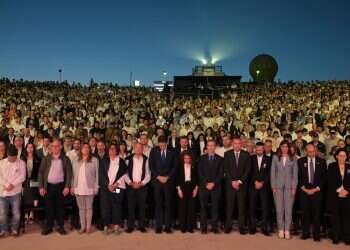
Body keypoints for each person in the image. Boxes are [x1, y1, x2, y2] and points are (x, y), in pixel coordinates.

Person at [38, 137, 73, 235]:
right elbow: (40, 173)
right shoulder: (46, 158)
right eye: (53, 146)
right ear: (51, 147)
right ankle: (49, 226)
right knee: (48, 207)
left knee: (60, 207)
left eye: (57, 146)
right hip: (48, 186)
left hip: (61, 186)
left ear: (61, 147)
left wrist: (67, 186)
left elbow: (69, 174)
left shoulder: (65, 159)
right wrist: (41, 187)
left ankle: (60, 226)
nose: (55, 148)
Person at [297, 143, 327, 241]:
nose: (311, 153)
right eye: (309, 152)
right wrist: (305, 189)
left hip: (317, 191)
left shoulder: (322, 162)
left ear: (316, 151)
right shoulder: (300, 161)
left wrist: (315, 189)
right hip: (304, 191)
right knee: (305, 213)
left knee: (316, 214)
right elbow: (298, 177)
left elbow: (324, 178)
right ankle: (305, 233)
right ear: (306, 151)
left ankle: (316, 235)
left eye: (313, 151)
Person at [149, 135, 177, 233]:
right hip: (157, 182)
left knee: (168, 204)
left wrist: (167, 177)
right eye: (160, 144)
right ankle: (159, 226)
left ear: (166, 143)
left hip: (168, 182)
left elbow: (175, 166)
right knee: (158, 204)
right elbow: (151, 165)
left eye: (163, 144)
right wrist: (158, 176)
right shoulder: (153, 151)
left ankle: (168, 226)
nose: (162, 146)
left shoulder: (172, 151)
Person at [270, 140, 298, 239]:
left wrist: (294, 187)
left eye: (286, 146)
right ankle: (281, 229)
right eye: (283, 146)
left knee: (288, 209)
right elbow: (273, 173)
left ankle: (287, 229)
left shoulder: (293, 158)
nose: (284, 148)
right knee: (279, 209)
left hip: (289, 188)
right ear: (280, 147)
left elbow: (295, 175)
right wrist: (273, 186)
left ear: (289, 148)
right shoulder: (275, 158)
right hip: (277, 187)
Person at [224, 137, 251, 234]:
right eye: (235, 143)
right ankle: (228, 226)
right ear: (232, 144)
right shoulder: (227, 154)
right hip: (230, 185)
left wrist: (239, 181)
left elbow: (247, 171)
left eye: (239, 143)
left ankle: (241, 227)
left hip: (241, 186)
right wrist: (232, 181)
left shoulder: (246, 155)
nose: (237, 145)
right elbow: (226, 170)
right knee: (229, 207)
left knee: (241, 207)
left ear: (241, 144)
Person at [99, 143, 127, 235]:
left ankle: (116, 226)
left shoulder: (121, 161)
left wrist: (115, 185)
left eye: (114, 149)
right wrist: (108, 185)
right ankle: (106, 226)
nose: (112, 150)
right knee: (105, 207)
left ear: (117, 150)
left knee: (117, 206)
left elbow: (124, 174)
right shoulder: (104, 160)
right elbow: (101, 175)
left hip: (117, 188)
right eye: (110, 149)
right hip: (106, 188)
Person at [71, 143, 99, 234]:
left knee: (89, 208)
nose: (85, 149)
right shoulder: (75, 160)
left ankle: (88, 227)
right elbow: (73, 175)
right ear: (81, 149)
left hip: (90, 187)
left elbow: (97, 175)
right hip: (78, 187)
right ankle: (82, 227)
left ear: (90, 149)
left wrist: (96, 187)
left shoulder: (94, 160)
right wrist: (72, 187)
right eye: (83, 147)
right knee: (81, 209)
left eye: (87, 147)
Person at [198, 140, 223, 234]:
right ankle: (203, 227)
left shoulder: (220, 159)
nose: (210, 147)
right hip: (204, 186)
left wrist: (213, 183)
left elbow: (221, 174)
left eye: (212, 145)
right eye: (209, 145)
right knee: (203, 208)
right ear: (206, 147)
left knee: (215, 208)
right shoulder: (201, 158)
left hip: (215, 187)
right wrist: (206, 183)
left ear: (215, 147)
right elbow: (199, 173)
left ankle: (214, 227)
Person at [0, 145, 26, 237]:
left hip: (16, 192)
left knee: (17, 214)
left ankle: (14, 229)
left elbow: (22, 176)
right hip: (3, 193)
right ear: (7, 155)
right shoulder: (1, 163)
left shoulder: (21, 163)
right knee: (2, 214)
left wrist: (12, 184)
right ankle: (3, 230)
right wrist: (6, 185)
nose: (13, 160)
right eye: (11, 158)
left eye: (14, 158)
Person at [125, 142, 151, 233]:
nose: (139, 150)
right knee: (131, 207)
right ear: (134, 148)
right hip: (131, 186)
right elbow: (125, 173)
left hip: (142, 187)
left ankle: (141, 226)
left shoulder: (146, 159)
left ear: (142, 149)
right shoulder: (128, 159)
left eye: (140, 148)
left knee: (142, 207)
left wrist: (142, 183)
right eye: (137, 148)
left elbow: (148, 174)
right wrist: (130, 183)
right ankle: (130, 226)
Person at [327, 148, 350, 244]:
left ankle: (347, 237)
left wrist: (347, 191)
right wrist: (339, 191)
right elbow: (330, 181)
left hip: (347, 196)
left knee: (347, 217)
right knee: (335, 217)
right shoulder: (331, 166)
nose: (342, 158)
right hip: (335, 196)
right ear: (336, 156)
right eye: (340, 155)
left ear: (346, 157)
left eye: (344, 156)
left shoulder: (349, 166)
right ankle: (336, 236)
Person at [248, 142, 271, 236]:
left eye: (260, 149)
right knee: (252, 207)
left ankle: (264, 228)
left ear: (264, 149)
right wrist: (255, 182)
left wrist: (262, 182)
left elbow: (269, 173)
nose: (259, 151)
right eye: (257, 149)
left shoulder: (269, 159)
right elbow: (249, 171)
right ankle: (252, 227)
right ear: (255, 150)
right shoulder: (251, 158)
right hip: (253, 186)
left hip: (264, 187)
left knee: (265, 208)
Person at [176, 150, 198, 233]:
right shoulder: (179, 167)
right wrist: (179, 190)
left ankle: (190, 227)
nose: (187, 160)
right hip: (182, 188)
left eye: (188, 158)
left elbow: (197, 179)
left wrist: (196, 189)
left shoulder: (194, 166)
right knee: (182, 208)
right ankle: (183, 227)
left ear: (191, 159)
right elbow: (177, 179)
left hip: (192, 188)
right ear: (183, 158)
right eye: (185, 158)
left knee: (191, 208)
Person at [22, 142, 41, 224]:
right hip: (25, 180)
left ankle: (32, 213)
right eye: (28, 147)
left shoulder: (37, 159)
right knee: (26, 195)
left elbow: (39, 172)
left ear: (34, 149)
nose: (30, 149)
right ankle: (26, 214)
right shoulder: (23, 159)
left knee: (34, 194)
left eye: (31, 147)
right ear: (26, 149)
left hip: (35, 180)